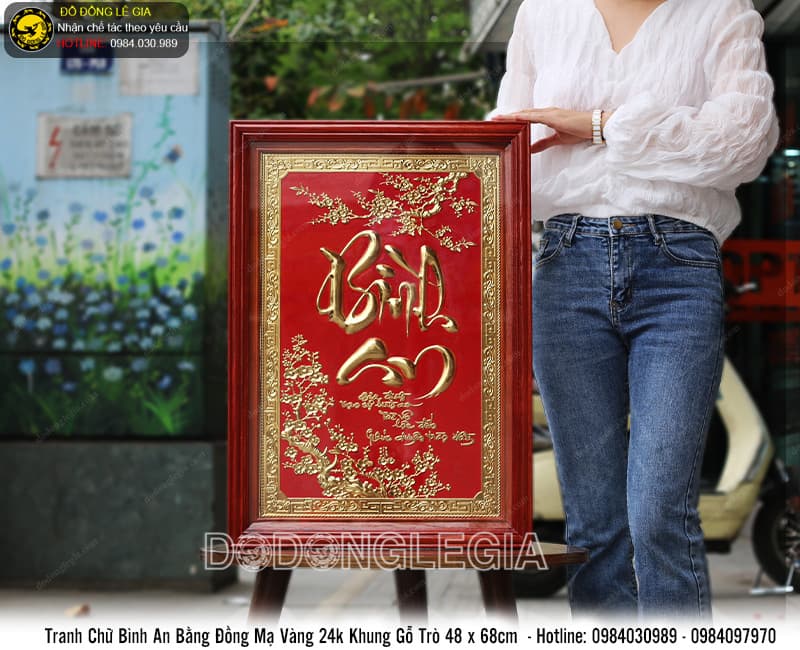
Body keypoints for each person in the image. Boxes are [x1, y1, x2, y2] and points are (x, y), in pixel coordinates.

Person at [489, 0, 780, 618]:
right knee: (593, 521)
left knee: (659, 513)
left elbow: (745, 143)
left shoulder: (722, 11)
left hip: (676, 264)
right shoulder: (542, 13)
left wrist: (599, 126)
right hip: (565, 264)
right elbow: (510, 147)